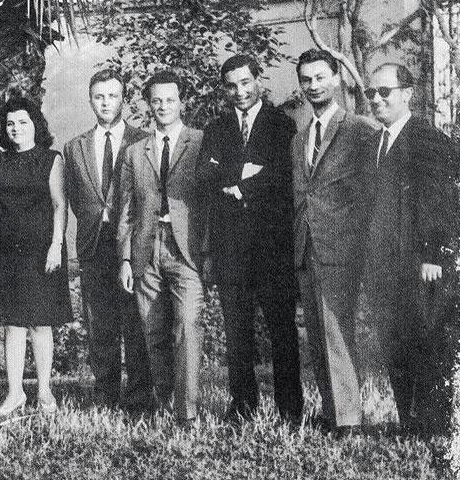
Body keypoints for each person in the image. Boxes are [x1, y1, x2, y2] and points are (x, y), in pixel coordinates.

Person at [196, 55, 304, 425]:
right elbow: (204, 175)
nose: (239, 92)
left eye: (245, 82)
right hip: (231, 248)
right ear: (224, 87)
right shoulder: (217, 127)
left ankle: (290, 410)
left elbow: (282, 177)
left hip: (272, 246)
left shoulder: (281, 125)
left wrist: (238, 184)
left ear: (258, 80)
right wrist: (245, 171)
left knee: (281, 329)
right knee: (236, 331)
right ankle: (242, 407)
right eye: (231, 85)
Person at [362, 62, 459, 436]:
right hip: (384, 268)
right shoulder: (375, 142)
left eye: (384, 92)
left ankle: (435, 432)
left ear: (407, 94)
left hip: (422, 266)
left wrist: (435, 254)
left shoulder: (429, 140)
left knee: (428, 348)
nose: (376, 100)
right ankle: (409, 424)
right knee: (395, 348)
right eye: (372, 93)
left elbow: (444, 202)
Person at [291, 49, 375, 438]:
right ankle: (332, 411)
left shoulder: (361, 130)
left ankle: (348, 421)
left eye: (320, 77)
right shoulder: (300, 137)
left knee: (337, 334)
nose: (313, 86)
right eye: (306, 80)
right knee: (318, 338)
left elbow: (372, 193)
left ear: (337, 78)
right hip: (307, 249)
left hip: (343, 249)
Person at [0, 94, 72, 417]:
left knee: (40, 324)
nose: (16, 128)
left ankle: (44, 392)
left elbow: (60, 205)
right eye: (10, 124)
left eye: (23, 122)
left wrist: (56, 244)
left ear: (35, 125)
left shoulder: (51, 159)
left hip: (41, 251)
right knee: (13, 326)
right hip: (4, 252)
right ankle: (15, 393)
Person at [117, 71, 205, 424]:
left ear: (181, 102)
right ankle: (166, 403)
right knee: (152, 332)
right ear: (148, 105)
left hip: (186, 250)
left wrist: (208, 250)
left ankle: (187, 414)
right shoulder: (135, 152)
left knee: (187, 326)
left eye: (170, 99)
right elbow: (125, 209)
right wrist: (124, 258)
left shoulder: (200, 142)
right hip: (145, 249)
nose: (163, 106)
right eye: (156, 101)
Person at [63, 68, 152, 413]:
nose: (105, 102)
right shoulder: (75, 147)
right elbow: (74, 194)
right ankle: (105, 396)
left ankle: (140, 398)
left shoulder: (142, 140)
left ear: (123, 99)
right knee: (99, 324)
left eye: (112, 95)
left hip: (132, 243)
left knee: (135, 323)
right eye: (99, 96)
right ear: (90, 99)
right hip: (94, 244)